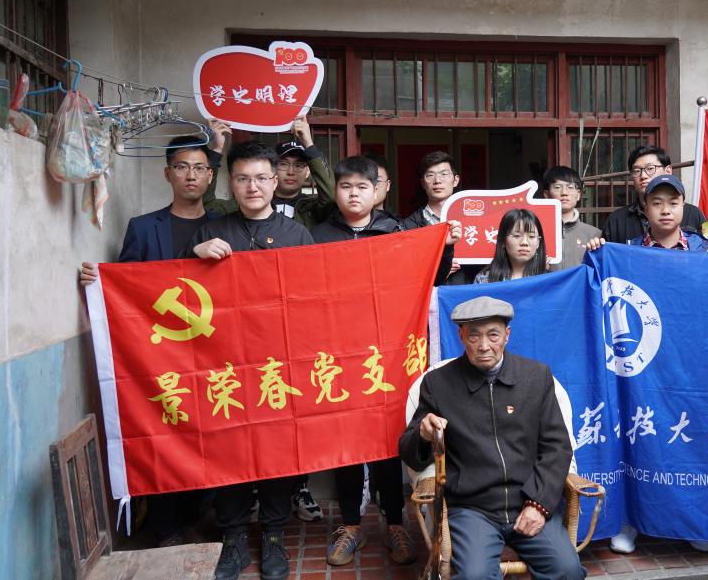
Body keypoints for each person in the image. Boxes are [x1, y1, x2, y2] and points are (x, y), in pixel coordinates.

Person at [310, 155, 462, 566]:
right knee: (345, 439)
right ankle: (350, 525)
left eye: (362, 187)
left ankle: (395, 522)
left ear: (377, 190)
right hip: (337, 352)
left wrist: (445, 247)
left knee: (387, 436)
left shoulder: (396, 230)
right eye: (345, 186)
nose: (353, 194)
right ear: (335, 191)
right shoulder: (317, 236)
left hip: (386, 351)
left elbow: (428, 278)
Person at [79, 135, 220, 548]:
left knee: (209, 437)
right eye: (182, 167)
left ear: (211, 177)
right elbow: (127, 287)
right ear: (167, 174)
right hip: (159, 356)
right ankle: (165, 526)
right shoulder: (143, 228)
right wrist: (99, 281)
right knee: (163, 437)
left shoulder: (224, 227)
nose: (191, 175)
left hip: (212, 355)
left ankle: (203, 515)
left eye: (199, 168)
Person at [186, 141, 316, 580]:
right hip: (222, 365)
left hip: (279, 365)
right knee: (229, 450)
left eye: (261, 178)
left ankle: (274, 536)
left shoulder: (297, 235)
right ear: (231, 183)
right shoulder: (210, 231)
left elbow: (313, 298)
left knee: (278, 450)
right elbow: (177, 292)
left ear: (276, 182)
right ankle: (235, 538)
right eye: (242, 178)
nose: (252, 187)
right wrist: (192, 257)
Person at [399, 296, 586, 580]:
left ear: (507, 335)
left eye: (493, 335)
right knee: (475, 576)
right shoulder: (438, 384)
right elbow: (409, 453)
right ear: (461, 336)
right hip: (471, 510)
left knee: (568, 570)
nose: (484, 345)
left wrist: (538, 504)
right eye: (474, 336)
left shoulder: (536, 377)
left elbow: (557, 447)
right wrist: (423, 435)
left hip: (529, 500)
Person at [587, 174, 708, 554]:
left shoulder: (706, 253)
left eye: (672, 203)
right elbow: (595, 287)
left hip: (689, 367)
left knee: (687, 440)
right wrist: (595, 253)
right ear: (645, 208)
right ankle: (630, 521)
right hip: (642, 367)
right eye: (656, 202)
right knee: (639, 441)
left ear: (683, 207)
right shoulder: (624, 252)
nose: (665, 210)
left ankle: (693, 522)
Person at [204, 115, 335, 230]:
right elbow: (208, 205)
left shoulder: (313, 208)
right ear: (272, 171)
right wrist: (216, 150)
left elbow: (331, 196)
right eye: (283, 164)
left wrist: (309, 144)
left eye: (298, 165)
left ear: (308, 172)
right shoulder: (251, 202)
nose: (291, 172)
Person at [600, 146, 706, 243]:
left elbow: (707, 251)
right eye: (637, 171)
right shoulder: (617, 220)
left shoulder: (693, 215)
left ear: (668, 171)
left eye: (650, 168)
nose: (643, 176)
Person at [401, 150, 465, 283]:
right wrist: (440, 267)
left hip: (466, 291)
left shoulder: (472, 220)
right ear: (423, 183)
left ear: (455, 180)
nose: (437, 181)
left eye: (444, 174)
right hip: (428, 293)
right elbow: (404, 271)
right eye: (430, 175)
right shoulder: (407, 227)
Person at [541, 166, 601, 270]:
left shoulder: (594, 234)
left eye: (570, 187)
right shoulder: (536, 232)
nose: (564, 193)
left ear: (578, 194)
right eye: (557, 187)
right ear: (546, 194)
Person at [474, 209, 548, 284]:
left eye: (531, 236)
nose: (524, 242)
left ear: (538, 242)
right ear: (503, 241)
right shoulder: (484, 281)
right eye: (517, 236)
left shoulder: (548, 281)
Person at [363, 151, 399, 221]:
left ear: (388, 185)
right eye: (366, 181)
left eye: (377, 181)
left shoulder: (398, 224)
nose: (372, 187)